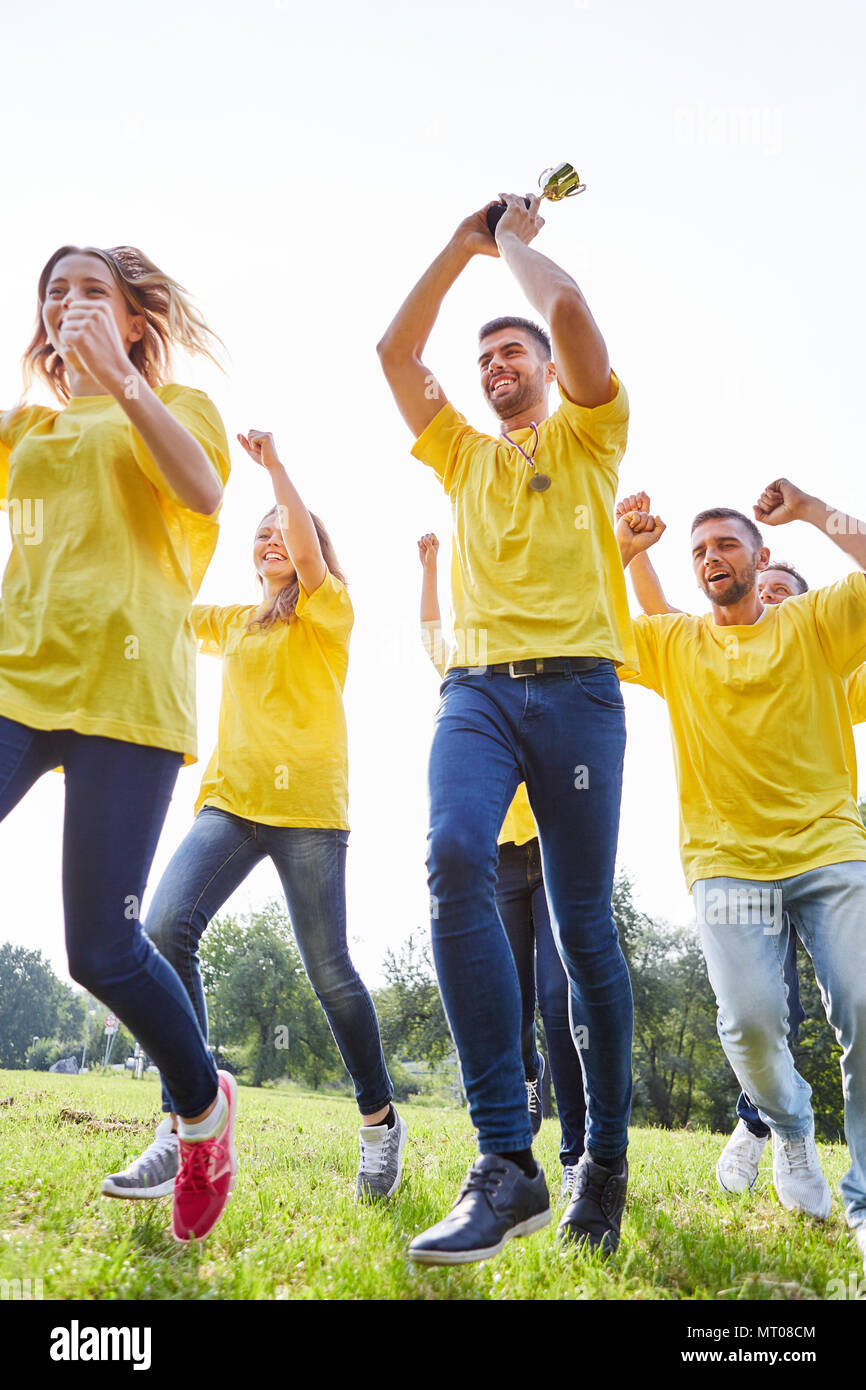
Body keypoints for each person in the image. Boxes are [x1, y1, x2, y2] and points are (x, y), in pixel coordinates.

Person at [378, 191, 635, 1265]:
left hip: (577, 694)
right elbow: (394, 351)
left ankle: (603, 1160)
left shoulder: (587, 431)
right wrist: (459, 246)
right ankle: (504, 1159)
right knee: (449, 856)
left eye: (508, 352)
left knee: (581, 933)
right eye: (481, 358)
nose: (493, 367)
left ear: (541, 368)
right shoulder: (458, 456)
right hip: (476, 689)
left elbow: (569, 310)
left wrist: (516, 248)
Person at [102, 429, 406, 1206]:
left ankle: (379, 1125)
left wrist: (276, 470)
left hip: (307, 809)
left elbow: (307, 553)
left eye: (285, 529)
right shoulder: (237, 620)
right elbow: (159, 600)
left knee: (330, 973)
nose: (271, 537)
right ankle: (188, 1118)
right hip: (231, 803)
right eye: (260, 530)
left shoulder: (326, 610)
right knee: (165, 926)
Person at [0, 244, 236, 1242]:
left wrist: (125, 380)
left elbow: (202, 494)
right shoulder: (25, 429)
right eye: (53, 292)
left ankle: (201, 1111)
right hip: (16, 680)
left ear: (136, 319)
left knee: (99, 948)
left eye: (90, 289)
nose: (67, 303)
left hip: (127, 697)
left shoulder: (178, 409)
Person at [615, 479, 866, 1275]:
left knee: (862, 1004)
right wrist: (627, 551)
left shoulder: (815, 626)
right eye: (699, 552)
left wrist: (814, 509)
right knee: (752, 1024)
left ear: (761, 559)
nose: (711, 558)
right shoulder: (678, 644)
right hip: (727, 862)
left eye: (726, 544)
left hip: (828, 846)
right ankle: (790, 1131)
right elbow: (584, 613)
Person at [417, 532, 588, 1197]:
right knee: (510, 1004)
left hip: (552, 851)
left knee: (556, 996)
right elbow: (434, 636)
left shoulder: (552, 662)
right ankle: (523, 1082)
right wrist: (431, 567)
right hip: (499, 858)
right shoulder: (469, 677)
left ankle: (576, 1156)